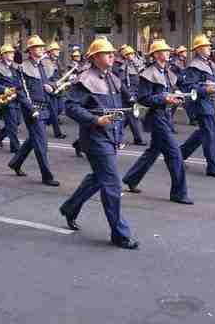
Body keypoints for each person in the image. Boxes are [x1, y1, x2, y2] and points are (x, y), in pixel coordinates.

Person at [59, 37, 139, 250]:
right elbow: (70, 107)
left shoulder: (113, 77)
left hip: (109, 136)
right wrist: (94, 120)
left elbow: (119, 109)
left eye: (113, 53)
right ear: (95, 58)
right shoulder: (84, 79)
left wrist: (119, 134)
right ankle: (120, 234)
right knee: (112, 184)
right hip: (94, 138)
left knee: (98, 178)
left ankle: (70, 207)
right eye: (107, 53)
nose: (112, 56)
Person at [122, 39, 193, 204]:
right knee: (175, 155)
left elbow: (170, 90)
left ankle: (131, 179)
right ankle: (178, 193)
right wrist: (164, 98)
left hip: (165, 115)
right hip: (156, 116)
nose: (167, 53)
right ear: (155, 55)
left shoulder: (166, 71)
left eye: (168, 51)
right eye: (163, 51)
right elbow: (144, 98)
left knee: (153, 152)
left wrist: (177, 95)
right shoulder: (149, 73)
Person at [7, 35, 61, 186]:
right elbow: (20, 92)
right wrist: (31, 109)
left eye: (42, 47)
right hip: (33, 109)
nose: (42, 49)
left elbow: (54, 81)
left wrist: (53, 86)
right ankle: (47, 176)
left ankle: (16, 163)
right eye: (38, 47)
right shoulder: (22, 67)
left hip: (46, 107)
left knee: (34, 139)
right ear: (30, 50)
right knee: (41, 143)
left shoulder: (46, 65)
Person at [179, 34, 215, 178]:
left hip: (208, 103)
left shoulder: (209, 64)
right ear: (199, 49)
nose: (209, 48)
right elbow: (190, 87)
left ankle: (179, 155)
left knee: (202, 133)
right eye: (206, 46)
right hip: (201, 105)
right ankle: (213, 168)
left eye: (209, 46)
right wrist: (205, 90)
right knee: (210, 136)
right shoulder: (194, 66)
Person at [0, 44, 21, 153]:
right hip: (6, 99)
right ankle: (15, 147)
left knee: (17, 122)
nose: (12, 55)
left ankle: (0, 135)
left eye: (12, 53)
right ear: (3, 55)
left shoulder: (16, 66)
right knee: (12, 123)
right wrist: (4, 90)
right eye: (9, 53)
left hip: (17, 98)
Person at [113, 45, 145, 146]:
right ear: (125, 56)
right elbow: (121, 84)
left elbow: (138, 80)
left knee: (132, 116)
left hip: (133, 94)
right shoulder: (120, 67)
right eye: (129, 54)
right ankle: (118, 139)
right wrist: (128, 95)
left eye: (132, 54)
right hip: (124, 96)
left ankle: (138, 138)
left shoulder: (133, 65)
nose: (132, 56)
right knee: (121, 118)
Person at [45, 41, 67, 139]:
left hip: (59, 88)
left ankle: (46, 121)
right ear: (50, 52)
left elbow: (62, 72)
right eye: (55, 50)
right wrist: (52, 85)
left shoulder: (57, 60)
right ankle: (58, 133)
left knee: (60, 108)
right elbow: (44, 77)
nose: (58, 51)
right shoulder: (45, 62)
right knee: (54, 112)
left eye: (58, 50)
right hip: (50, 89)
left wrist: (65, 79)